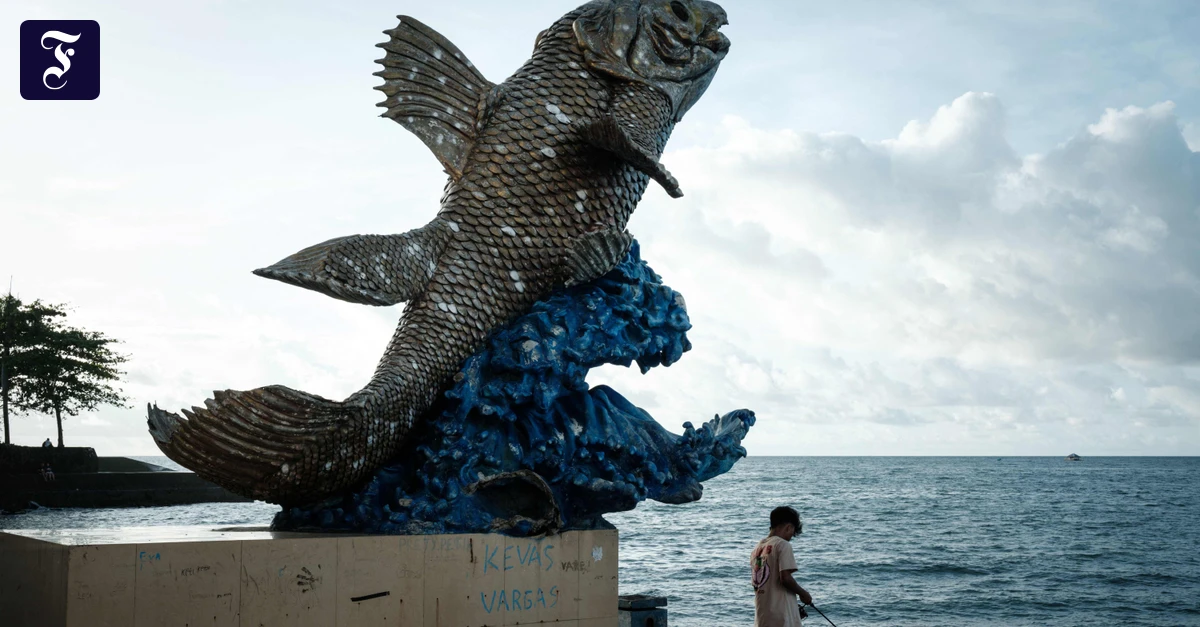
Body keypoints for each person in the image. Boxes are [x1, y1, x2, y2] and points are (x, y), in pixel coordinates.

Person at [751, 505, 812, 626]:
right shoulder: (783, 545)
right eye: (792, 534)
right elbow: (785, 578)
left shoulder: (757, 549)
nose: (790, 538)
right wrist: (804, 594)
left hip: (762, 616)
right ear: (789, 527)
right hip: (782, 618)